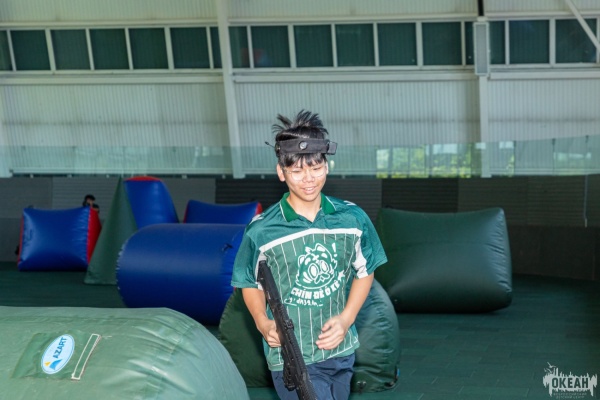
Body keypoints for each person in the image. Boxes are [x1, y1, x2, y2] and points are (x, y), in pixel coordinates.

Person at [231, 110, 388, 399]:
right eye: (297, 171)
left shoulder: (352, 218)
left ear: (326, 166)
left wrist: (346, 319)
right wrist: (262, 322)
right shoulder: (261, 230)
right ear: (281, 172)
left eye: (315, 168)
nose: (308, 179)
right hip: (292, 358)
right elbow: (248, 282)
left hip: (340, 351)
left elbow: (365, 271)